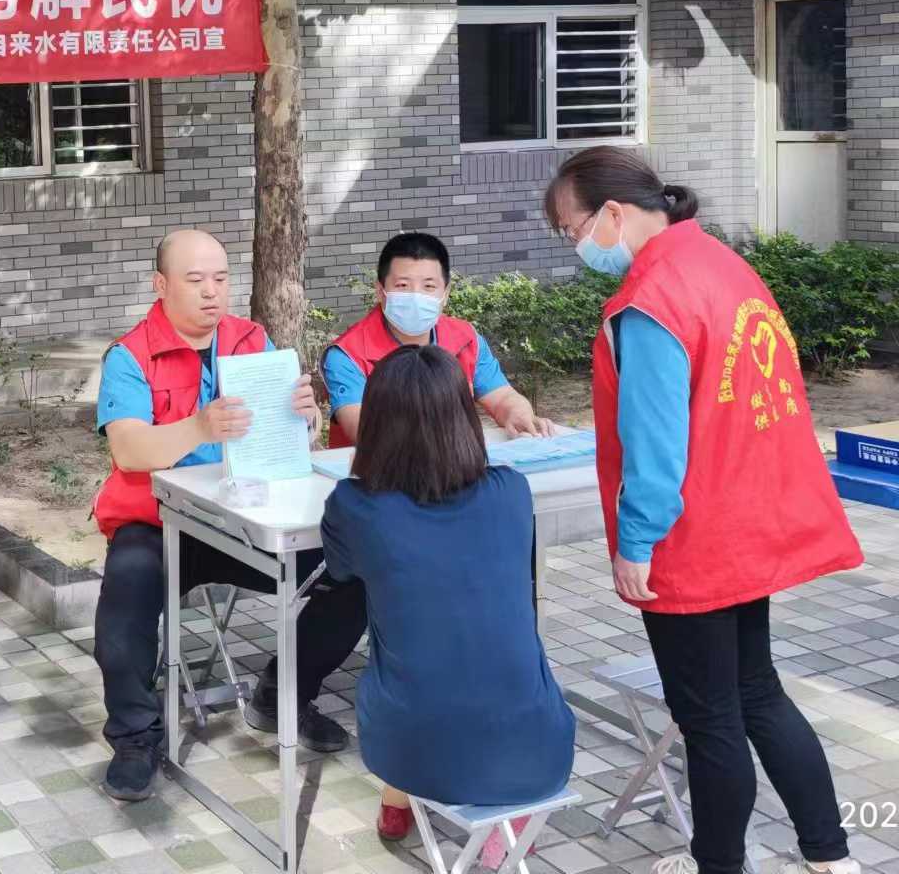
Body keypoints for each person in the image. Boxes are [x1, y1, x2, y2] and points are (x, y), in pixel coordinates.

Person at [543, 147, 864, 874]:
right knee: (758, 692)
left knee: (710, 720)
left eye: (572, 230)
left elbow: (654, 444)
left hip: (695, 536)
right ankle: (828, 856)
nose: (576, 246)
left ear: (613, 213)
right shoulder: (724, 265)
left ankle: (718, 862)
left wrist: (636, 542)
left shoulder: (649, 299)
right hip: (751, 518)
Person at [91, 229, 370, 802]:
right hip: (160, 522)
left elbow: (288, 433)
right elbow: (129, 449)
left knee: (355, 571)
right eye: (195, 280)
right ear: (161, 284)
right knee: (124, 602)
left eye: (220, 278)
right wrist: (198, 427)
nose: (211, 292)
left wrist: (305, 417)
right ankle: (135, 737)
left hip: (242, 518)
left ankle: (283, 694)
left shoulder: (251, 339)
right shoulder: (129, 355)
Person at [321, 344, 576, 843]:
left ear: (377, 424)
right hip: (540, 748)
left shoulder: (356, 505)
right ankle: (496, 829)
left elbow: (341, 569)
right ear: (464, 418)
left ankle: (397, 803)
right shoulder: (511, 491)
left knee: (405, 668)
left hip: (413, 752)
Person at [324, 231, 554, 447]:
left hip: (454, 467)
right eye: (402, 285)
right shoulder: (347, 354)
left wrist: (518, 414)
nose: (416, 295)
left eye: (429, 286)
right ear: (380, 290)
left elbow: (502, 397)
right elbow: (361, 428)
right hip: (373, 472)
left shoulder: (466, 339)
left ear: (445, 294)